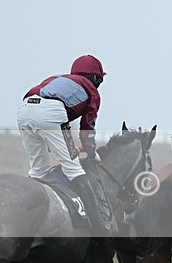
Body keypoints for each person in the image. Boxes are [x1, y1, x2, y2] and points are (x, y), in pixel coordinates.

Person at [17, 55, 113, 235]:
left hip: (24, 110)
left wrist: (66, 146)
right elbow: (87, 127)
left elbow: (52, 126)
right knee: (74, 169)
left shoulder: (56, 79)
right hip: (52, 112)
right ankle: (99, 228)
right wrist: (91, 151)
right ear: (95, 78)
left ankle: (24, 217)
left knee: (38, 171)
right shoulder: (92, 91)